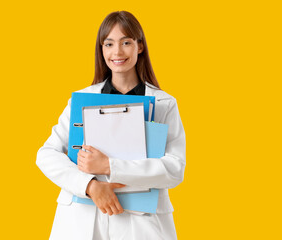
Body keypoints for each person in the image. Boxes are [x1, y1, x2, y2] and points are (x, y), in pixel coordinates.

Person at [36, 11, 186, 240]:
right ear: (101, 49)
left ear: (140, 46)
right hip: (82, 219)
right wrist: (90, 186)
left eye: (126, 42)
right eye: (109, 44)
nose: (117, 52)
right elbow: (46, 154)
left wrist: (109, 166)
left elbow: (174, 169)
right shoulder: (81, 100)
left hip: (141, 222)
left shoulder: (164, 104)